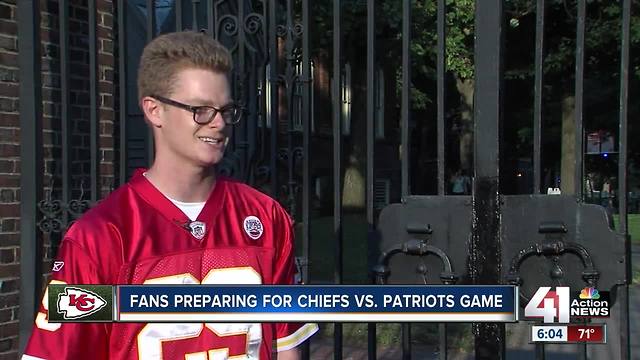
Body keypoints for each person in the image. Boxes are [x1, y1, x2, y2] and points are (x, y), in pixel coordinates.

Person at [22, 31, 317, 360]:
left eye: (226, 110)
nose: (219, 123)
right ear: (154, 110)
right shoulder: (100, 236)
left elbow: (286, 347)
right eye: (201, 110)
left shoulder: (266, 217)